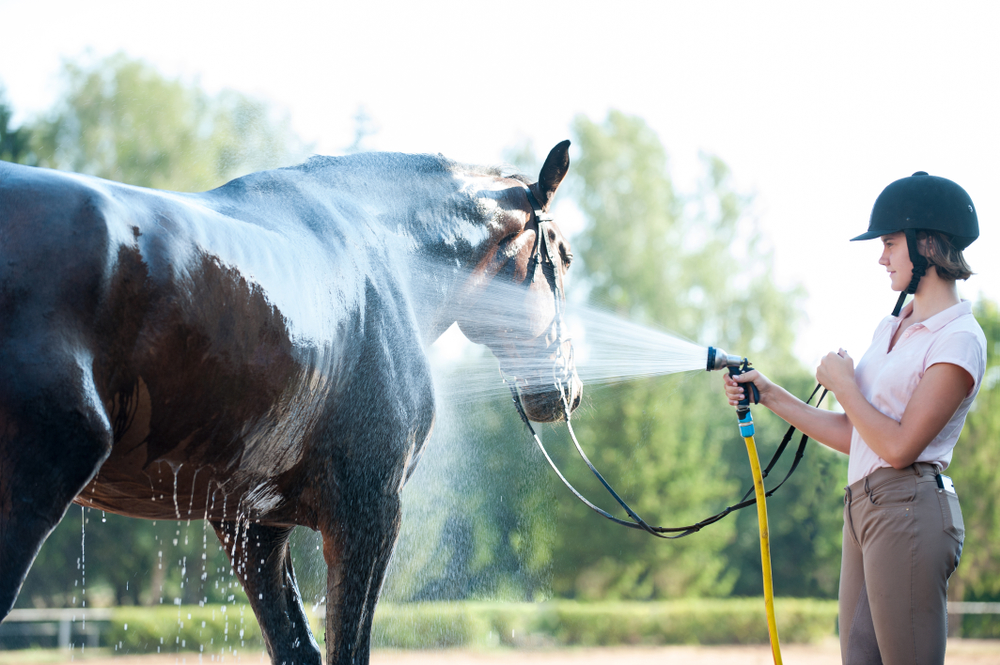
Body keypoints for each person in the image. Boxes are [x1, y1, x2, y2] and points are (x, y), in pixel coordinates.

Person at [724, 172, 987, 664]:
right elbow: (859, 434)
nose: (881, 256)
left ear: (925, 245)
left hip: (908, 505)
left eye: (889, 243)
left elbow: (901, 446)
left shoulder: (959, 337)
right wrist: (769, 394)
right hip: (862, 507)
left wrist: (844, 384)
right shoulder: (891, 329)